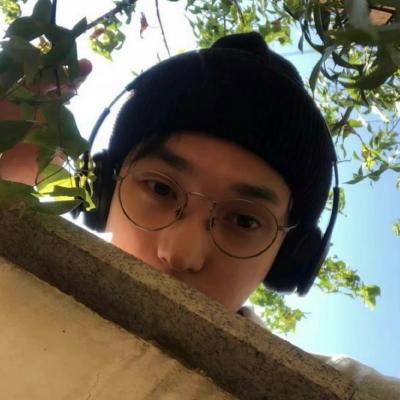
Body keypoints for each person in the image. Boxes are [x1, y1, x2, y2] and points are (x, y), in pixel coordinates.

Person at [0, 32, 399, 398]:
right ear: (104, 190)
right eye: (160, 189)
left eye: (244, 220)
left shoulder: (341, 388)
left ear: (288, 258)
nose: (181, 254)